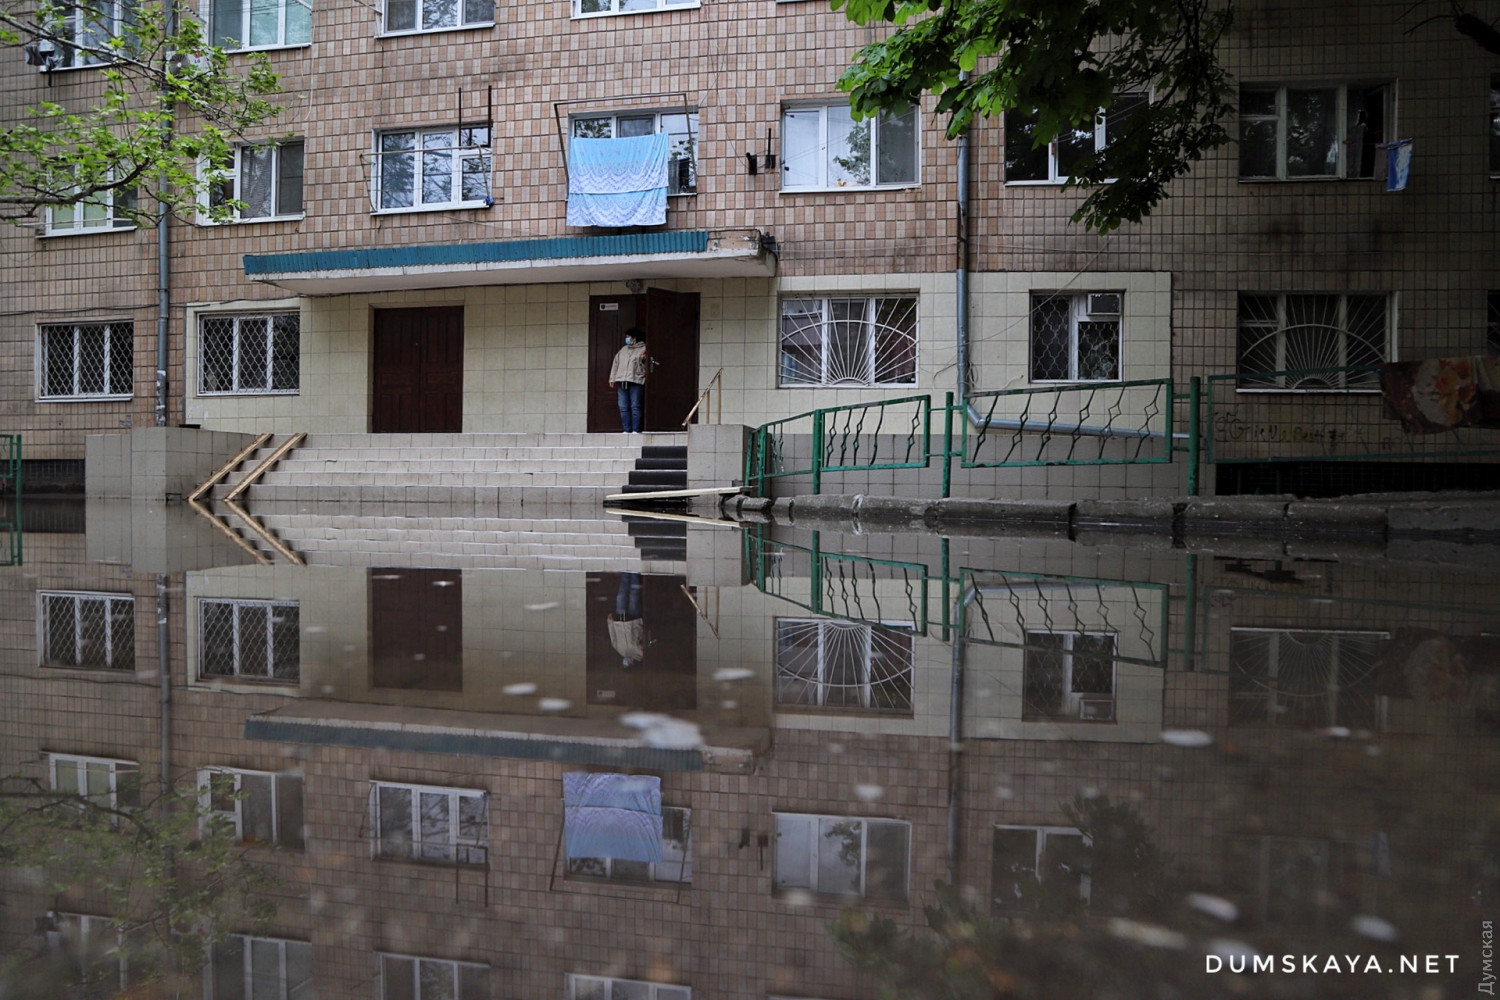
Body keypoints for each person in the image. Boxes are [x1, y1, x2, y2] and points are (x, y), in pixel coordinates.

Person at [608, 328, 649, 433]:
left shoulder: (644, 348)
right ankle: (626, 430)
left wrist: (643, 360)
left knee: (635, 406)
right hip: (621, 381)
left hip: (636, 380)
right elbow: (615, 363)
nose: (626, 339)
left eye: (628, 337)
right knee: (623, 406)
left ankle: (636, 429)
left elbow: (646, 366)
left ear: (634, 338)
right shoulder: (623, 349)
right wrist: (612, 378)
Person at [606, 572, 647, 669]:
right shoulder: (641, 653)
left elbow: (613, 636)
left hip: (620, 619)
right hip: (634, 619)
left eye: (624, 664)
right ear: (632, 663)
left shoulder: (620, 651)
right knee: (634, 595)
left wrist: (610, 622)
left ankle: (625, 572)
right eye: (626, 664)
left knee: (621, 595)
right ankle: (634, 573)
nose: (625, 662)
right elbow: (647, 638)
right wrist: (643, 644)